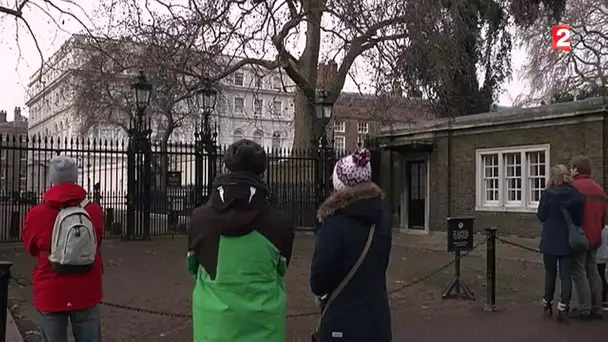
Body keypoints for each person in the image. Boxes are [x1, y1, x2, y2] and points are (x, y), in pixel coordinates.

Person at [188, 139, 295, 342]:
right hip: (264, 327)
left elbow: (192, 266)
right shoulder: (280, 223)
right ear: (261, 174)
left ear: (225, 169)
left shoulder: (199, 219)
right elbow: (281, 268)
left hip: (212, 326)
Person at [310, 148, 392, 342]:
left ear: (340, 184)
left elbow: (319, 280)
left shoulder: (334, 224)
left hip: (342, 321)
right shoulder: (381, 220)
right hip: (377, 321)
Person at [22, 155, 104, 342]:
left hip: (51, 288)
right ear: (75, 178)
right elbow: (96, 242)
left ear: (53, 179)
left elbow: (30, 248)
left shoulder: (37, 213)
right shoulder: (92, 210)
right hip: (87, 286)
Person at [537, 164, 583, 322]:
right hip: (567, 241)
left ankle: (547, 304)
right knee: (566, 276)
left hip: (550, 239)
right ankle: (563, 308)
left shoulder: (548, 194)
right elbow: (578, 220)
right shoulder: (575, 194)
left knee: (550, 273)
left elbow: (541, 216)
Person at [569, 155, 605, 320]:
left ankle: (584, 307)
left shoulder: (573, 188)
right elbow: (605, 217)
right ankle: (597, 307)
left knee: (578, 271)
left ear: (576, 169)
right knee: (593, 271)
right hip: (595, 237)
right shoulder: (600, 190)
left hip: (579, 237)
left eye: (571, 167)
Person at [597, 225, 608, 311]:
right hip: (603, 255)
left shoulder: (600, 229)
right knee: (602, 277)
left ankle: (602, 301)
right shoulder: (606, 229)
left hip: (597, 256)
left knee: (599, 278)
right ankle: (604, 301)